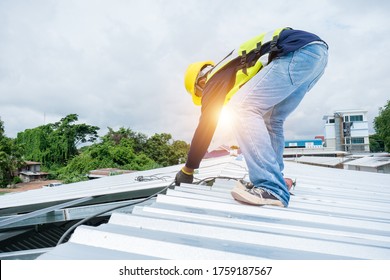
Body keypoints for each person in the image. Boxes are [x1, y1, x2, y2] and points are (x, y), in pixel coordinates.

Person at [175, 27, 328, 207]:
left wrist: (188, 169)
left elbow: (206, 127)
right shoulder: (230, 69)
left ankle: (271, 187)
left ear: (200, 83)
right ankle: (275, 178)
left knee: (240, 108)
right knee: (271, 119)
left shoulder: (213, 79)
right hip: (316, 54)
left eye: (202, 96)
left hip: (297, 52)